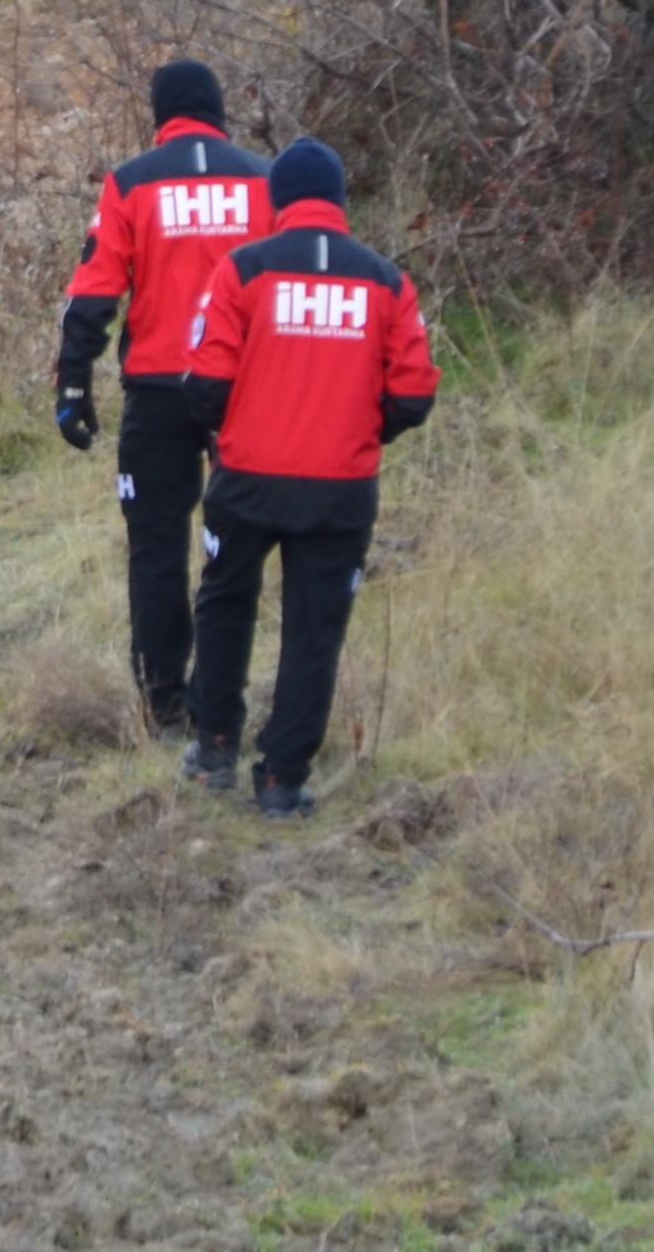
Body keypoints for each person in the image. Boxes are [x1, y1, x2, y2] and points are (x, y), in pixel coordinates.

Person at [173, 137, 438, 819]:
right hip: (341, 490)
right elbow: (413, 397)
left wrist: (232, 431)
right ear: (340, 202)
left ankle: (214, 748)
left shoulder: (243, 270)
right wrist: (355, 430)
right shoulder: (387, 282)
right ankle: (282, 781)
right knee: (314, 630)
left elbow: (203, 385)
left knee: (226, 603)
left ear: (277, 201)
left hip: (249, 479)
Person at [53, 59, 273, 736]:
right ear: (218, 110)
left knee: (156, 549)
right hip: (242, 390)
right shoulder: (265, 182)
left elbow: (93, 289)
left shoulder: (133, 182)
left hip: (157, 389)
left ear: (160, 115)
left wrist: (72, 379)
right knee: (233, 547)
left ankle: (164, 702)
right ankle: (220, 701)